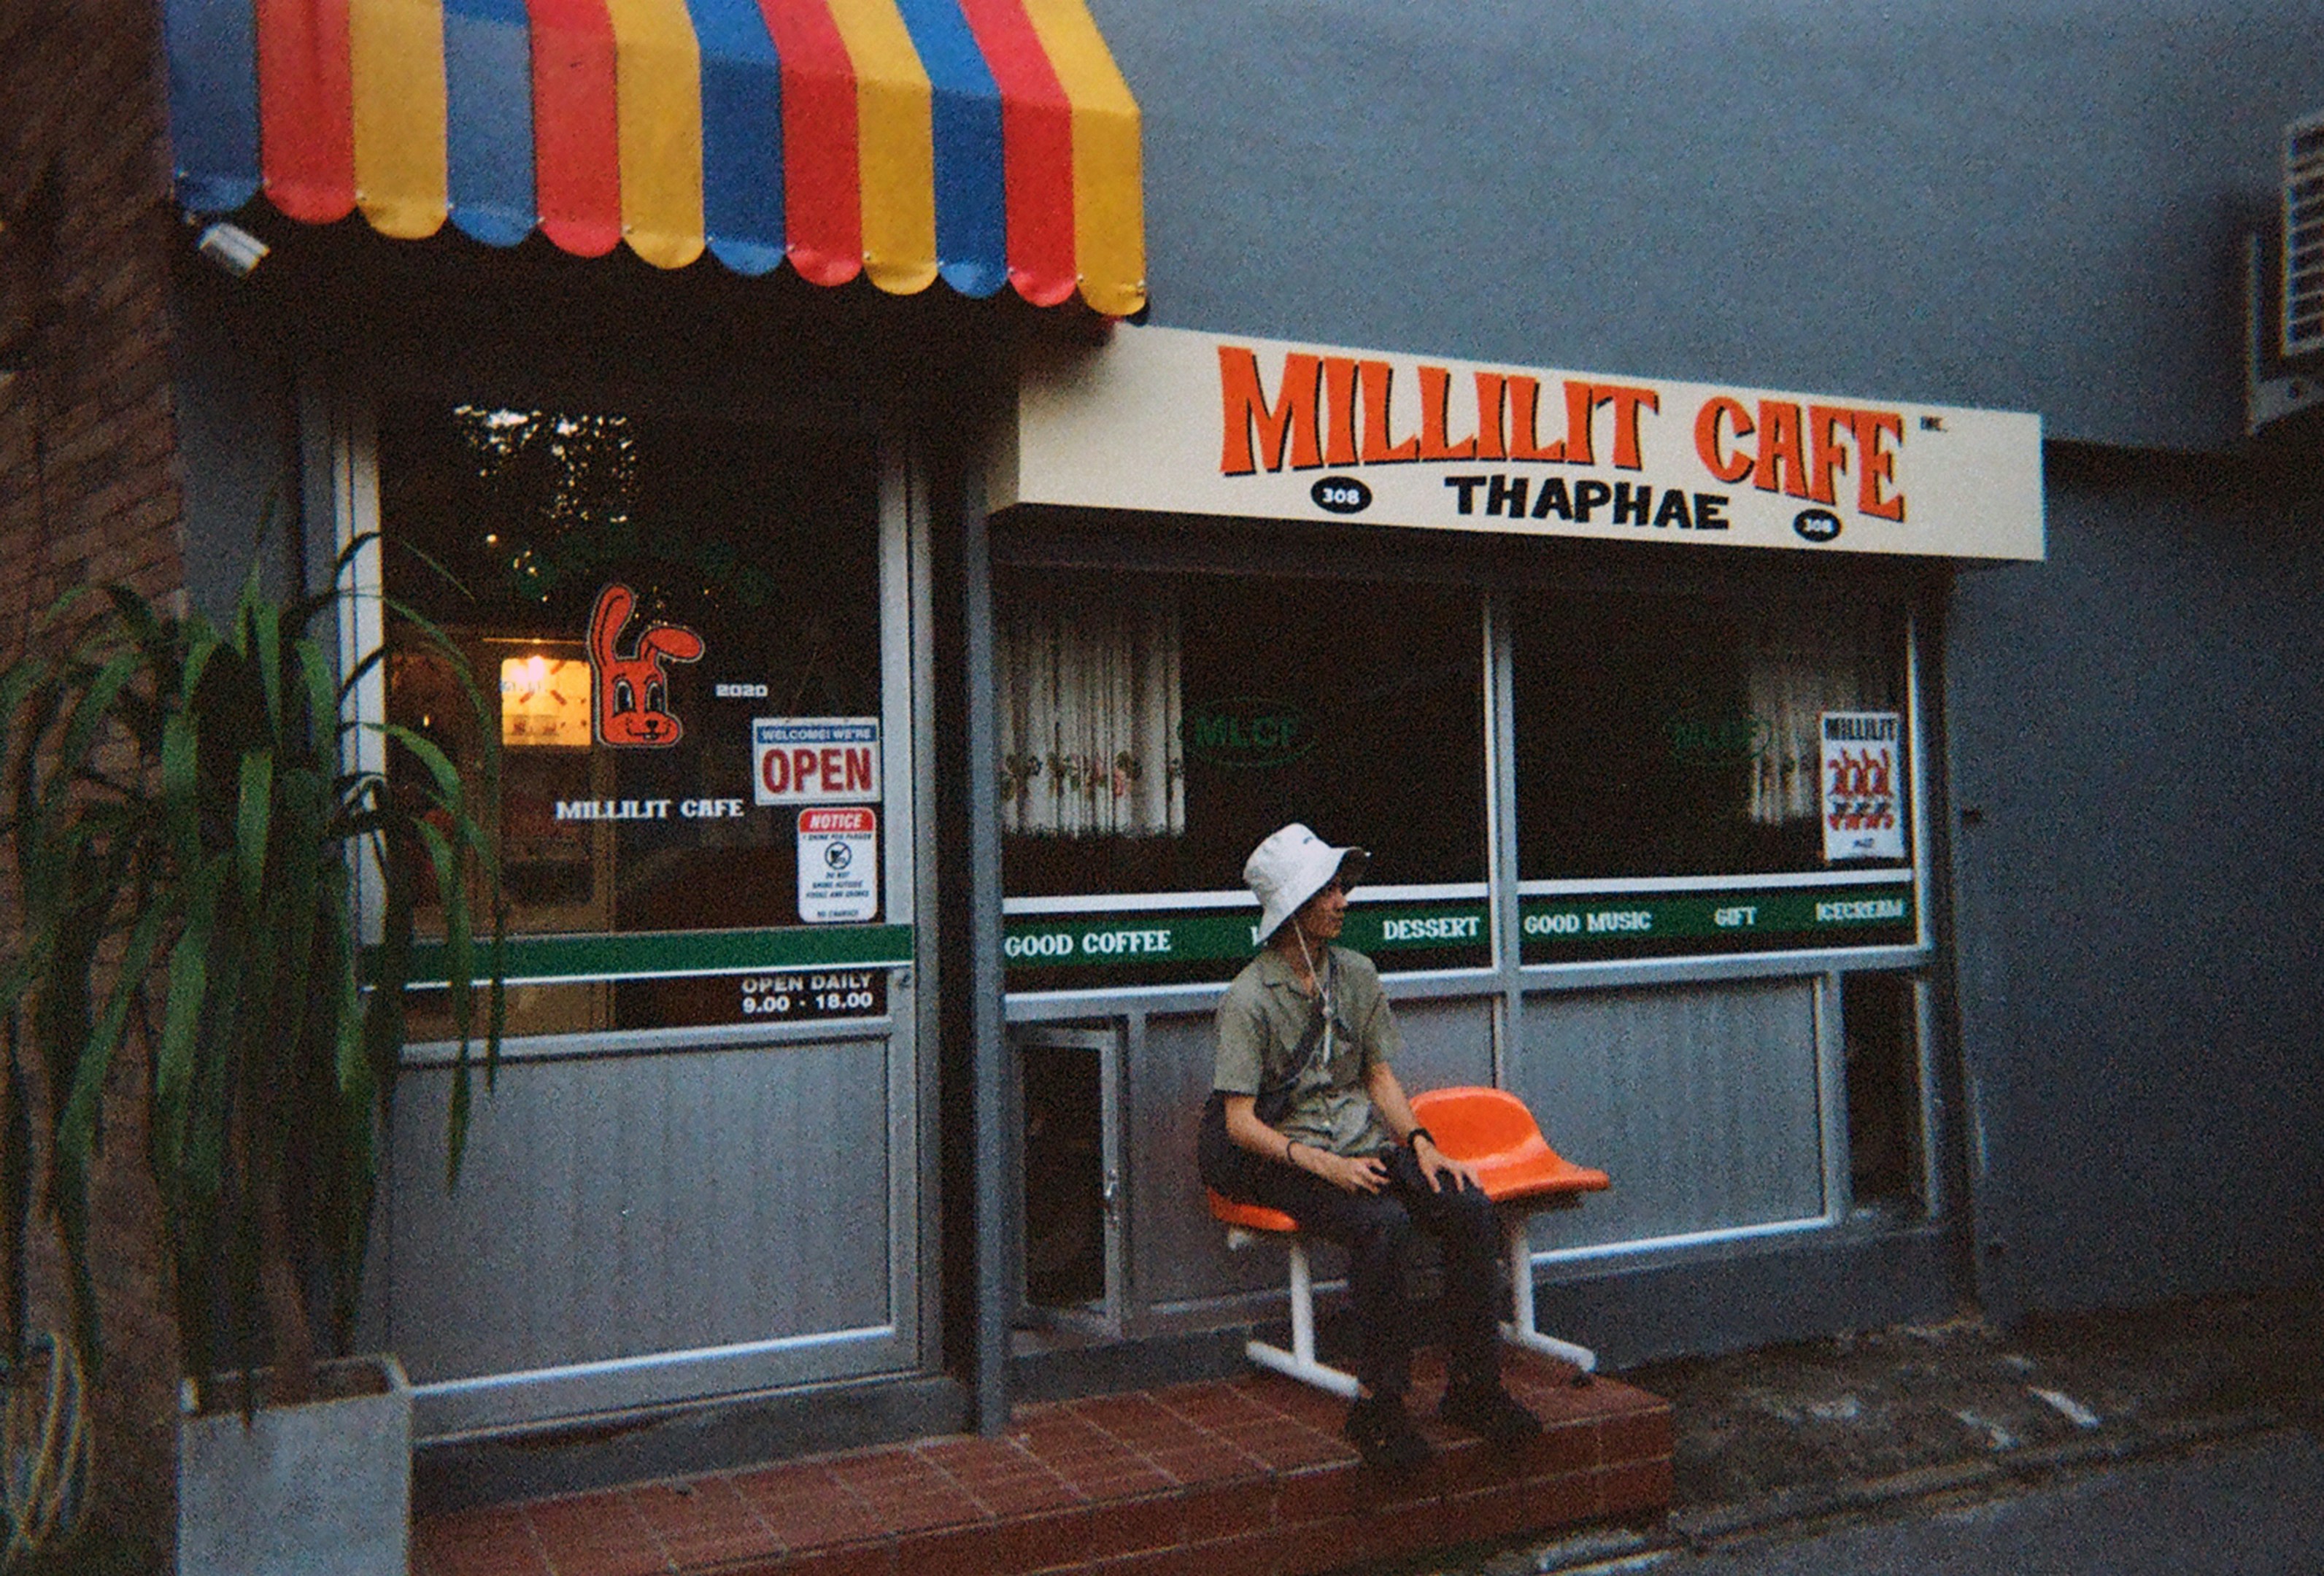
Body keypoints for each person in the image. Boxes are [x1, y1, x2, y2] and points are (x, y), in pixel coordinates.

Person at [1200, 823, 1543, 1472]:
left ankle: (1473, 1387)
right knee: (1381, 1227)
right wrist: (1322, 1163)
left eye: (1339, 888)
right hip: (1287, 1158)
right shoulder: (1247, 999)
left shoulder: (1355, 976)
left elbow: (1378, 1077)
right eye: (1326, 891)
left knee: (1466, 1206)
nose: (1341, 901)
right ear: (1293, 910)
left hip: (1359, 1146)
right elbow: (1240, 1122)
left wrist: (1420, 1144)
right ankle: (1378, 1407)